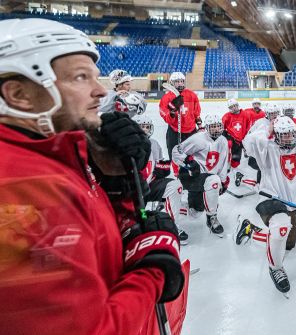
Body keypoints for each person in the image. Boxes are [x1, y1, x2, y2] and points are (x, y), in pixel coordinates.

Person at [0, 18, 185, 334]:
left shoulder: (53, 153)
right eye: (80, 77)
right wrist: (153, 268)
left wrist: (116, 187)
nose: (100, 91)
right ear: (19, 94)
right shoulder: (24, 187)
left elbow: (89, 234)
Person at [240, 115, 296, 296]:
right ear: (276, 135)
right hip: (270, 198)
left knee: (288, 243)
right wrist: (267, 131)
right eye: (284, 135)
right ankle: (276, 268)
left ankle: (250, 229)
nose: (288, 138)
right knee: (281, 227)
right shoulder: (267, 149)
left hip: (291, 203)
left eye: (291, 134)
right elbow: (248, 140)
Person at [133, 114, 189, 244]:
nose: (145, 130)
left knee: (175, 185)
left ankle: (172, 225)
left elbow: (160, 163)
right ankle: (143, 219)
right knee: (140, 218)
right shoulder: (128, 145)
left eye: (147, 127)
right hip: (133, 190)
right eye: (141, 127)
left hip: (150, 186)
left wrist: (162, 169)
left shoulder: (154, 144)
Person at [172, 114, 230, 236]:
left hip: (208, 179)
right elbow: (176, 151)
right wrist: (187, 161)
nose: (216, 129)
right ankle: (208, 216)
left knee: (197, 211)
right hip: (192, 177)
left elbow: (224, 162)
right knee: (213, 182)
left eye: (218, 126)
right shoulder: (198, 139)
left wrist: (224, 181)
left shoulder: (223, 141)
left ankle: (208, 216)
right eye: (213, 127)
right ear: (207, 127)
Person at [159, 71, 202, 159]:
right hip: (175, 131)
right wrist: (173, 109)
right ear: (172, 83)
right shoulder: (166, 98)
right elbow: (166, 116)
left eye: (182, 81)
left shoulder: (192, 95)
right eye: (177, 81)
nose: (180, 83)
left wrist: (200, 126)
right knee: (175, 157)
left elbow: (196, 113)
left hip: (191, 131)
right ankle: (177, 172)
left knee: (192, 158)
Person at [238, 105, 282, 187]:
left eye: (275, 113)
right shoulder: (260, 122)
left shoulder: (280, 122)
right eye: (271, 113)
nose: (274, 115)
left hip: (274, 152)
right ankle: (257, 183)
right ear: (267, 114)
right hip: (260, 152)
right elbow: (249, 136)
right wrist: (246, 148)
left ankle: (262, 184)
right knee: (264, 168)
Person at [222, 98, 252, 170]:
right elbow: (222, 127)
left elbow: (249, 126)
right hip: (231, 138)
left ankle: (233, 166)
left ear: (237, 105)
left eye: (235, 106)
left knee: (235, 162)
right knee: (228, 144)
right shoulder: (227, 116)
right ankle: (225, 159)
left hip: (241, 140)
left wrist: (246, 137)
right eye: (231, 107)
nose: (234, 108)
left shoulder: (245, 114)